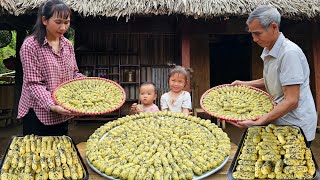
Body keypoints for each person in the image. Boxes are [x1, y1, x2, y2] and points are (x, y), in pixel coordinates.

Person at [230, 5, 317, 145]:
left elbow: (291, 100)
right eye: (252, 34)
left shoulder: (289, 53)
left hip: (295, 125)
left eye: (257, 33)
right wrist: (245, 83)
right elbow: (274, 79)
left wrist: (260, 121)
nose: (254, 39)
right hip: (280, 121)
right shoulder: (269, 50)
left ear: (274, 27)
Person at [18, 0, 85, 136]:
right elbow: (33, 83)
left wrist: (90, 85)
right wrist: (53, 106)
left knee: (60, 151)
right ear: (44, 20)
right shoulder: (30, 46)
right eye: (58, 22)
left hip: (63, 111)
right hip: (38, 113)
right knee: (37, 153)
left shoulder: (67, 45)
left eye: (66, 23)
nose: (63, 28)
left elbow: (74, 74)